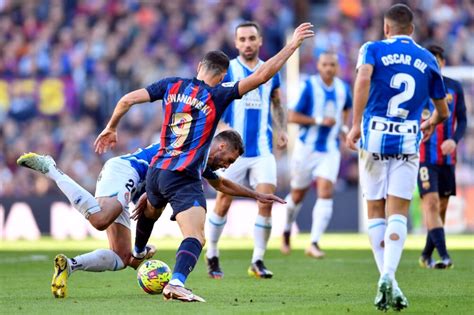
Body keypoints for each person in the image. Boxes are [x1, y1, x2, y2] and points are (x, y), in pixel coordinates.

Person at [93, 22, 315, 302]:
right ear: (223, 75)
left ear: (199, 66)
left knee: (150, 210)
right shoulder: (218, 94)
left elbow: (126, 100)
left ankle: (138, 250)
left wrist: (112, 127)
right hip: (182, 175)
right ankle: (176, 282)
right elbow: (261, 76)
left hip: (157, 169)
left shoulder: (170, 84)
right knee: (196, 236)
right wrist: (292, 46)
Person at [346, 4, 449, 312]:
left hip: (374, 135)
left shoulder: (372, 49)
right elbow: (442, 111)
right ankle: (389, 276)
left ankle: (386, 277)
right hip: (407, 140)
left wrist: (354, 124)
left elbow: (363, 79)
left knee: (375, 210)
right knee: (399, 212)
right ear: (412, 30)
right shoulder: (428, 58)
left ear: (386, 28)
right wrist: (429, 123)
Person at [17, 143, 161, 298]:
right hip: (126, 170)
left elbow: (151, 211)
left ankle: (69, 265)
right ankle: (51, 168)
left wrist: (140, 251)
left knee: (122, 257)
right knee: (100, 219)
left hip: (137, 184)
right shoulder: (184, 149)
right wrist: (140, 252)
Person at [205, 21, 287, 280]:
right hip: (233, 154)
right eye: (242, 39)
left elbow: (276, 102)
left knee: (265, 201)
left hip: (262, 150)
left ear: (260, 40)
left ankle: (258, 260)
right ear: (236, 42)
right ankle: (213, 254)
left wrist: (282, 128)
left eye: (252, 38)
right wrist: (218, 129)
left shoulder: (270, 70)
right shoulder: (228, 70)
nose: (247, 43)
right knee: (223, 202)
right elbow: (213, 102)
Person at [280, 51, 352, 258]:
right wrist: (319, 121)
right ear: (318, 66)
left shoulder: (342, 88)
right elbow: (292, 116)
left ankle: (314, 242)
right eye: (325, 64)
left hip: (329, 149)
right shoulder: (309, 86)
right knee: (297, 194)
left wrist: (343, 129)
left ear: (337, 68)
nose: (329, 68)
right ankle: (286, 229)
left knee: (326, 191)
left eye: (332, 65)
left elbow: (346, 109)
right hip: (306, 149)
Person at [417, 45, 467, 270]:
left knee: (442, 208)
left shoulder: (455, 88)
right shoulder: (418, 86)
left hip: (447, 158)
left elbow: (463, 119)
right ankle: (445, 256)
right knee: (431, 203)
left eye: (437, 60)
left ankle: (426, 255)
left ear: (443, 63)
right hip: (424, 156)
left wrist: (454, 140)